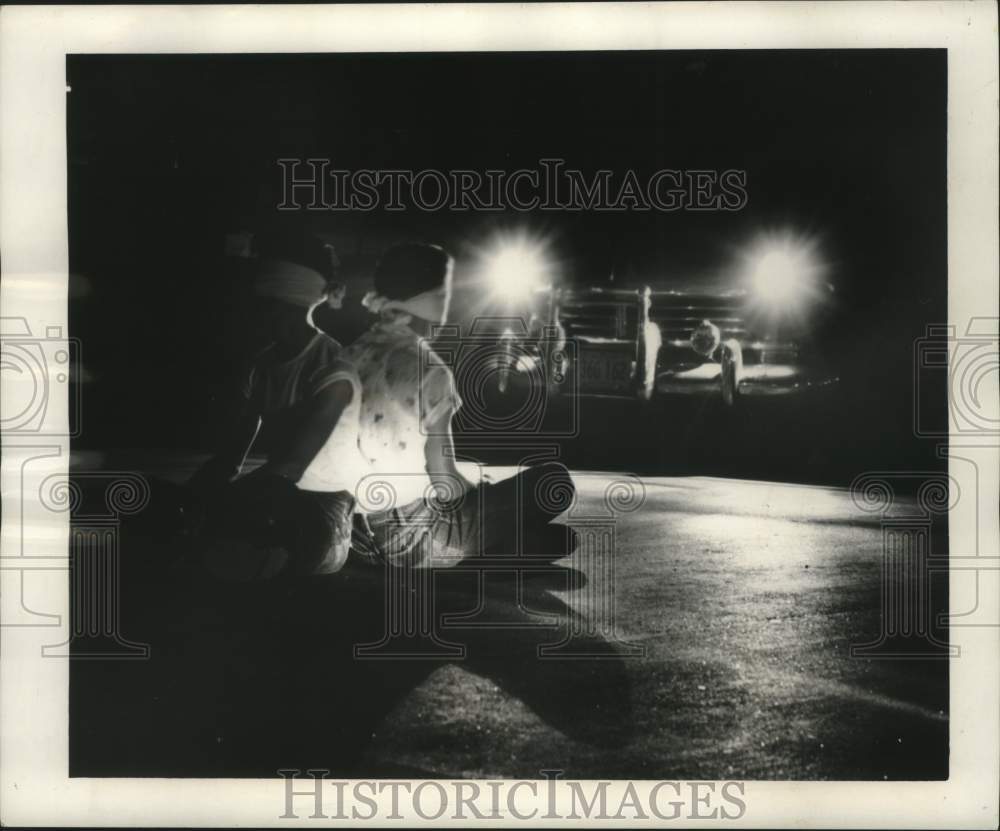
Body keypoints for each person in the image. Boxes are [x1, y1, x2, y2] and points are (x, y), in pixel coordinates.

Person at [343, 242, 577, 567]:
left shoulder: (349, 355)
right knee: (554, 481)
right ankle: (472, 555)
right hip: (411, 539)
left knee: (552, 540)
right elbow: (446, 484)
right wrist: (477, 488)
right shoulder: (429, 369)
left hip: (354, 535)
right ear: (436, 298)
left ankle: (487, 552)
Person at [188, 228, 367, 578]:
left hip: (323, 511)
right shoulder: (263, 363)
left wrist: (216, 503)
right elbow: (232, 455)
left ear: (277, 301)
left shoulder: (332, 367)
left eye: (258, 301)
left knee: (226, 543)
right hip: (277, 498)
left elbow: (291, 468)